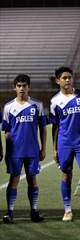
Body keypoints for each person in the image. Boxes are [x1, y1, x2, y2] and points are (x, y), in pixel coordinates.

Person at [50, 67, 80, 222]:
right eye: (64, 78)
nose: (68, 80)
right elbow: (55, 127)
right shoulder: (54, 101)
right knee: (66, 175)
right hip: (64, 143)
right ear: (58, 81)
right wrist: (54, 148)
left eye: (70, 77)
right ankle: (68, 209)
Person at [2, 74, 47, 223]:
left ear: (29, 87)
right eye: (19, 86)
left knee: (32, 180)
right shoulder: (8, 107)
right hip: (15, 152)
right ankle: (10, 213)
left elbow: (43, 128)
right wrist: (7, 152)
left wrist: (43, 149)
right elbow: (7, 131)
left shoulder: (37, 105)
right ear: (15, 87)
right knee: (13, 180)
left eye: (24, 86)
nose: (22, 88)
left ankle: (34, 211)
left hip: (32, 150)